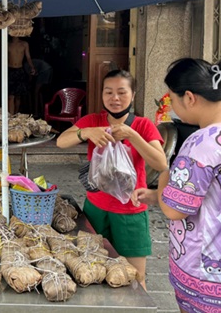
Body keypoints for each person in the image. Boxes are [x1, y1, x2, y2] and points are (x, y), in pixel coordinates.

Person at [132, 59, 221, 312]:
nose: (172, 109)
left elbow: (174, 210)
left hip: (205, 274)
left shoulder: (201, 142)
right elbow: (216, 193)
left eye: (172, 100)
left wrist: (164, 175)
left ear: (190, 98)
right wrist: (155, 195)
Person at [56, 69, 167, 289]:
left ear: (133, 95)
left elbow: (160, 163)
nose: (115, 98)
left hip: (131, 212)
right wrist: (86, 133)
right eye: (109, 92)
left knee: (136, 277)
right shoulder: (93, 120)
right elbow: (61, 141)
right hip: (95, 209)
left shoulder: (143, 125)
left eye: (121, 92)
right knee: (95, 272)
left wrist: (132, 136)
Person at [7, 35, 35, 114]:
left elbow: (28, 57)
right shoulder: (7, 44)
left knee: (18, 96)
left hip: (19, 70)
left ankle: (15, 114)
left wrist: (32, 67)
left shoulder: (24, 44)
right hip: (10, 70)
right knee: (11, 96)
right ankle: (11, 116)